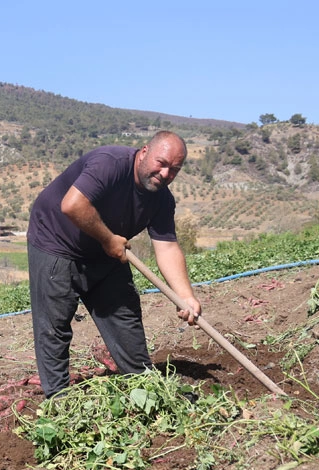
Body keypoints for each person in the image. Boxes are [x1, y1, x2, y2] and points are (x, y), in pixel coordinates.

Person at [26, 130, 201, 397]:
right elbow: (72, 204)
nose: (166, 174)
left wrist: (186, 296)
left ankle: (145, 386)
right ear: (144, 152)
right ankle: (59, 402)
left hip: (106, 251)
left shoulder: (162, 199)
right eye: (161, 163)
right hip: (56, 242)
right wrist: (109, 240)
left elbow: (166, 246)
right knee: (54, 326)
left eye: (174, 169)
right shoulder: (110, 163)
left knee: (125, 317)